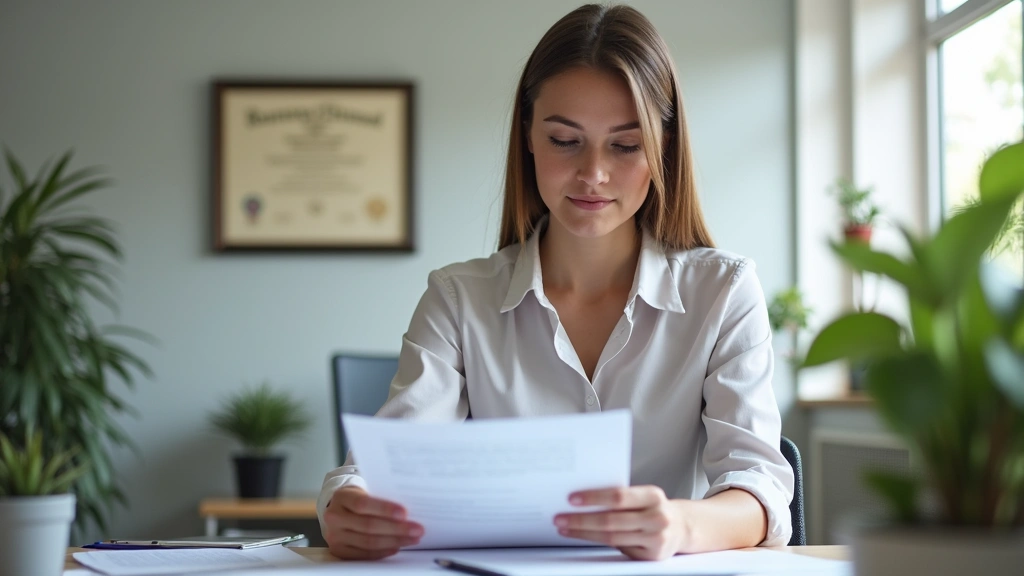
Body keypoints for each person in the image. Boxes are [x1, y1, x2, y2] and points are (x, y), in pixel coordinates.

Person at [318, 3, 793, 561]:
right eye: (566, 140)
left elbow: (759, 486)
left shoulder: (724, 292)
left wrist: (681, 525)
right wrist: (348, 507)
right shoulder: (458, 299)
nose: (593, 173)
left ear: (663, 146)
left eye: (625, 144)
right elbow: (378, 472)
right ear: (529, 138)